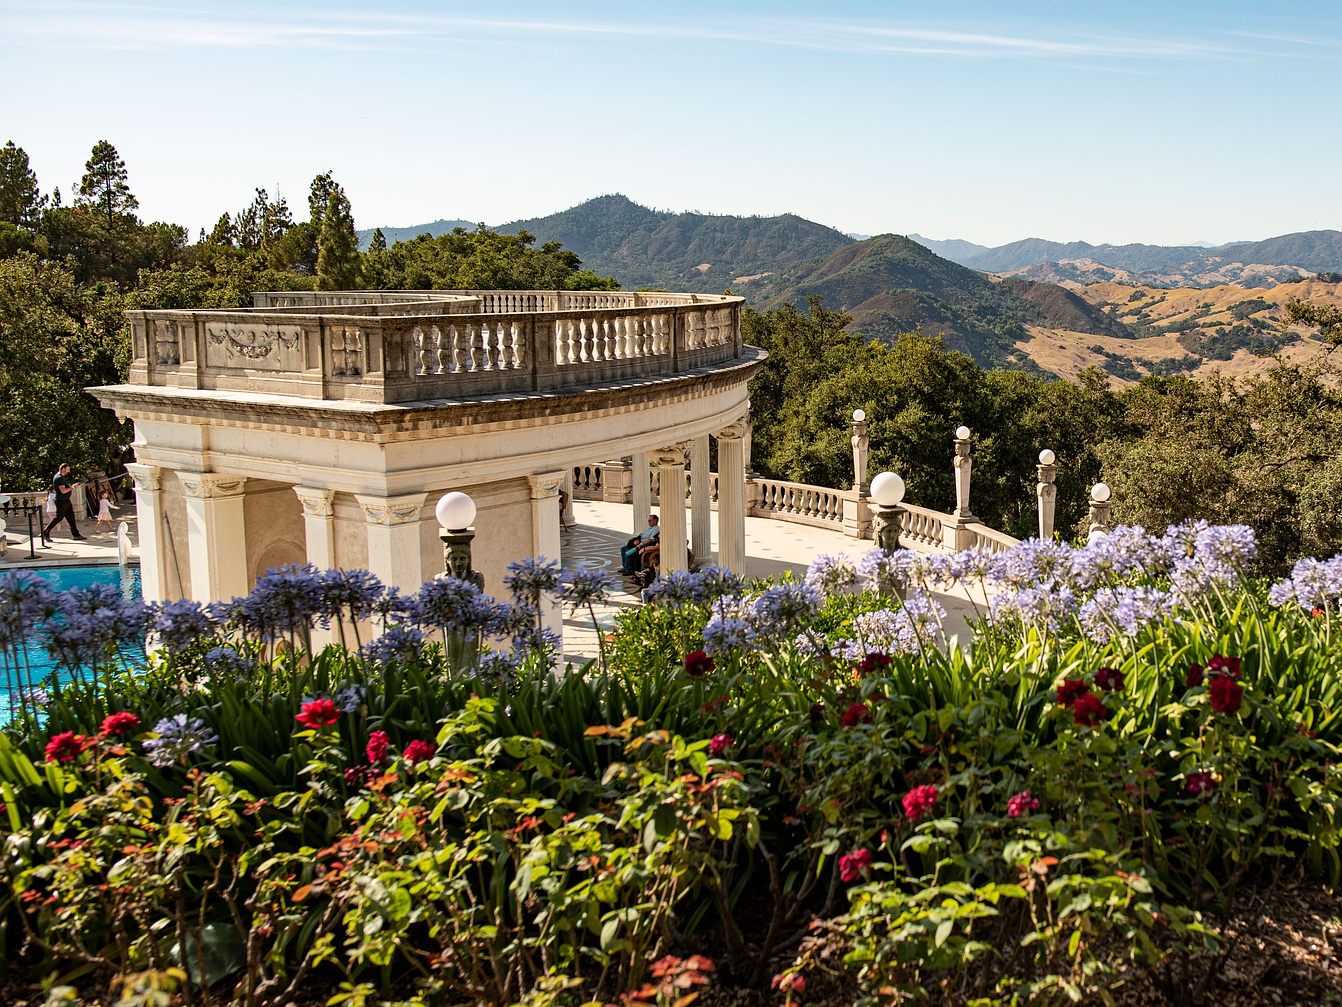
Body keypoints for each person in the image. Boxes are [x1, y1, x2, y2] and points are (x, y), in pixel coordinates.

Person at [43, 464, 85, 542]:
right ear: (63, 469)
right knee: (58, 517)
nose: (69, 471)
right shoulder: (59, 478)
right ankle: (46, 531)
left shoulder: (60, 477)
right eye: (68, 469)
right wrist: (73, 487)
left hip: (65, 500)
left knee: (71, 517)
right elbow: (63, 491)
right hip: (61, 500)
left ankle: (76, 534)